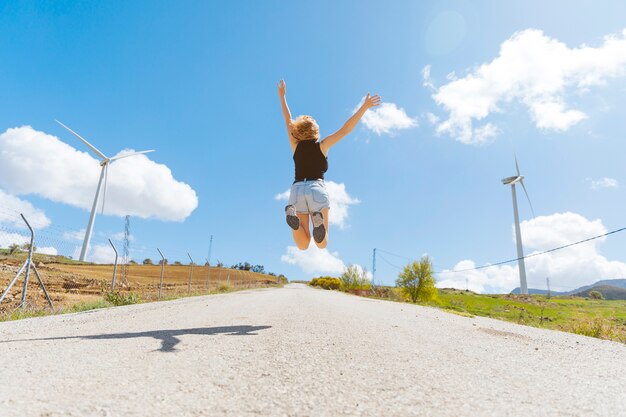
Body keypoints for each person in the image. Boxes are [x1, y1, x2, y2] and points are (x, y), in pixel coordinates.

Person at [277, 79, 381, 250]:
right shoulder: (322, 145)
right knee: (322, 244)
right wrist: (365, 107)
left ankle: (295, 224)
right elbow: (346, 129)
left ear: (298, 131)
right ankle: (318, 225)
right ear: (315, 131)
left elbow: (288, 119)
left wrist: (282, 96)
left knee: (303, 245)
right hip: (316, 187)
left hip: (296, 190)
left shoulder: (295, 145)